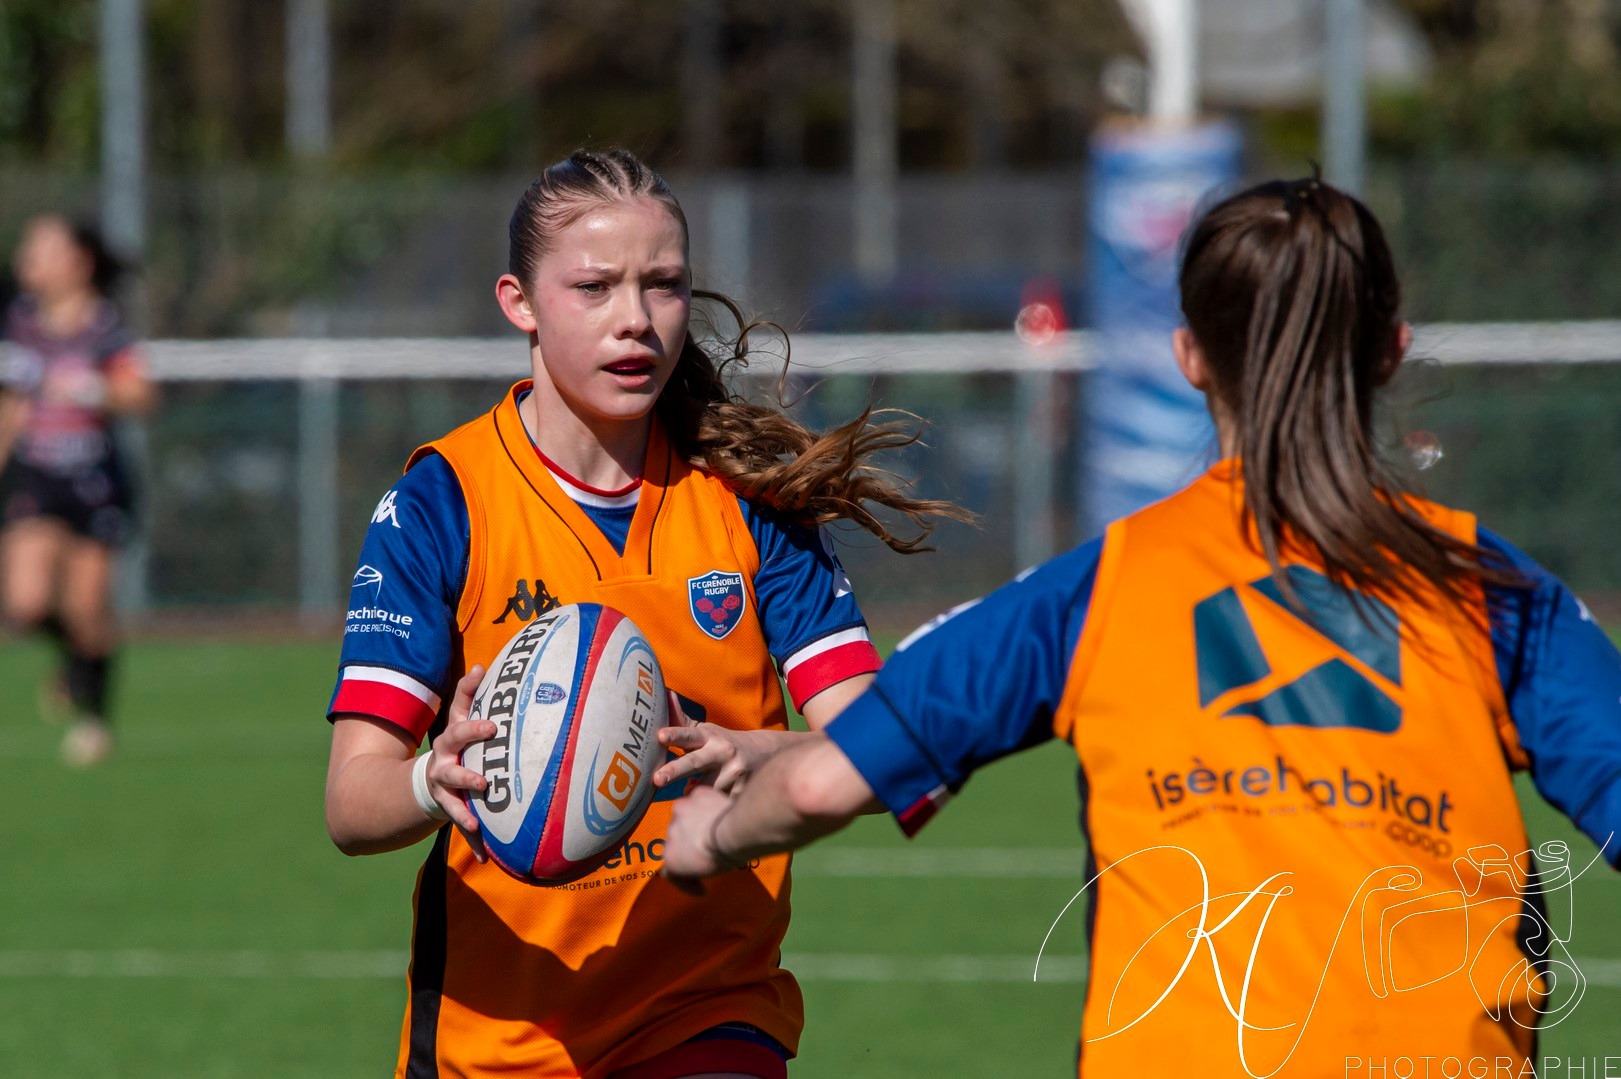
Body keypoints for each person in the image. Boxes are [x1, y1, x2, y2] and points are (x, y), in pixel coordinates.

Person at [660, 178, 1621, 1075]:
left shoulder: (1104, 587)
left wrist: (713, 835)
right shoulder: (1492, 590)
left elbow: (828, 780)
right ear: (1390, 350)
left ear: (1189, 356)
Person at [323, 149, 964, 1078]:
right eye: (594, 286)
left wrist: (757, 752)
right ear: (519, 303)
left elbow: (877, 739)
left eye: (663, 285)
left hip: (707, 1011)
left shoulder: (747, 496)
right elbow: (351, 802)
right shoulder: (444, 502)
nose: (635, 319)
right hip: (498, 1036)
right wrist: (436, 779)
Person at [0, 215, 155, 767]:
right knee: (24, 603)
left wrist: (92, 389)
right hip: (37, 479)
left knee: (89, 610)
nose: (28, 256)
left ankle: (94, 719)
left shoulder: (105, 327)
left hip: (96, 482)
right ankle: (71, 658)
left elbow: (141, 393)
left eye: (43, 247)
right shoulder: (17, 322)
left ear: (78, 263)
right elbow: (11, 405)